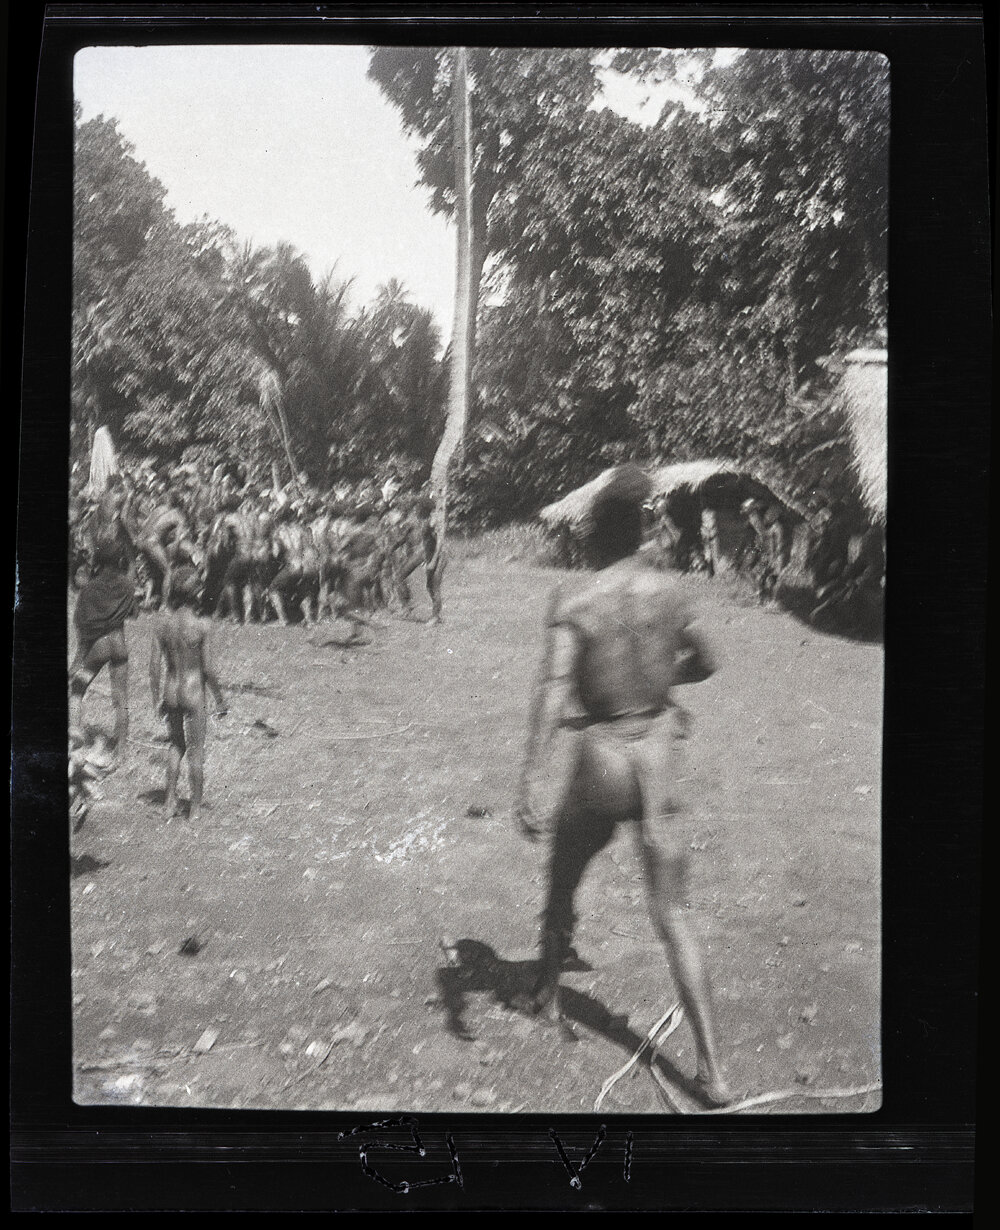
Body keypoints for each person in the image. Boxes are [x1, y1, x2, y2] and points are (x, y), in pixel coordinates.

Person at [511, 464, 731, 1107]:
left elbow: (553, 691)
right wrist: (662, 682)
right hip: (658, 757)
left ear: (595, 536)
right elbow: (709, 662)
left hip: (604, 758)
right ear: (637, 531)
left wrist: (529, 773)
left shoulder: (577, 602)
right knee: (675, 913)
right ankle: (715, 1070)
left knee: (563, 872)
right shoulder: (673, 593)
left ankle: (547, 993)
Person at [149, 566, 226, 824]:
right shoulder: (203, 625)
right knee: (196, 752)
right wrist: (220, 698)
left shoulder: (163, 624)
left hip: (171, 692)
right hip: (194, 694)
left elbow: (153, 666)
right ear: (196, 593)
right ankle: (194, 809)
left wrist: (155, 698)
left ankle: (169, 801)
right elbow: (209, 670)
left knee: (175, 745)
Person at [70, 540, 136, 755]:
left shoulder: (90, 588)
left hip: (99, 646)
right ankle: (122, 749)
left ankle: (75, 739)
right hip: (119, 643)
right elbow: (133, 613)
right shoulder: (128, 585)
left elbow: (83, 626)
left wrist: (78, 660)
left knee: (77, 689)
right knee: (121, 698)